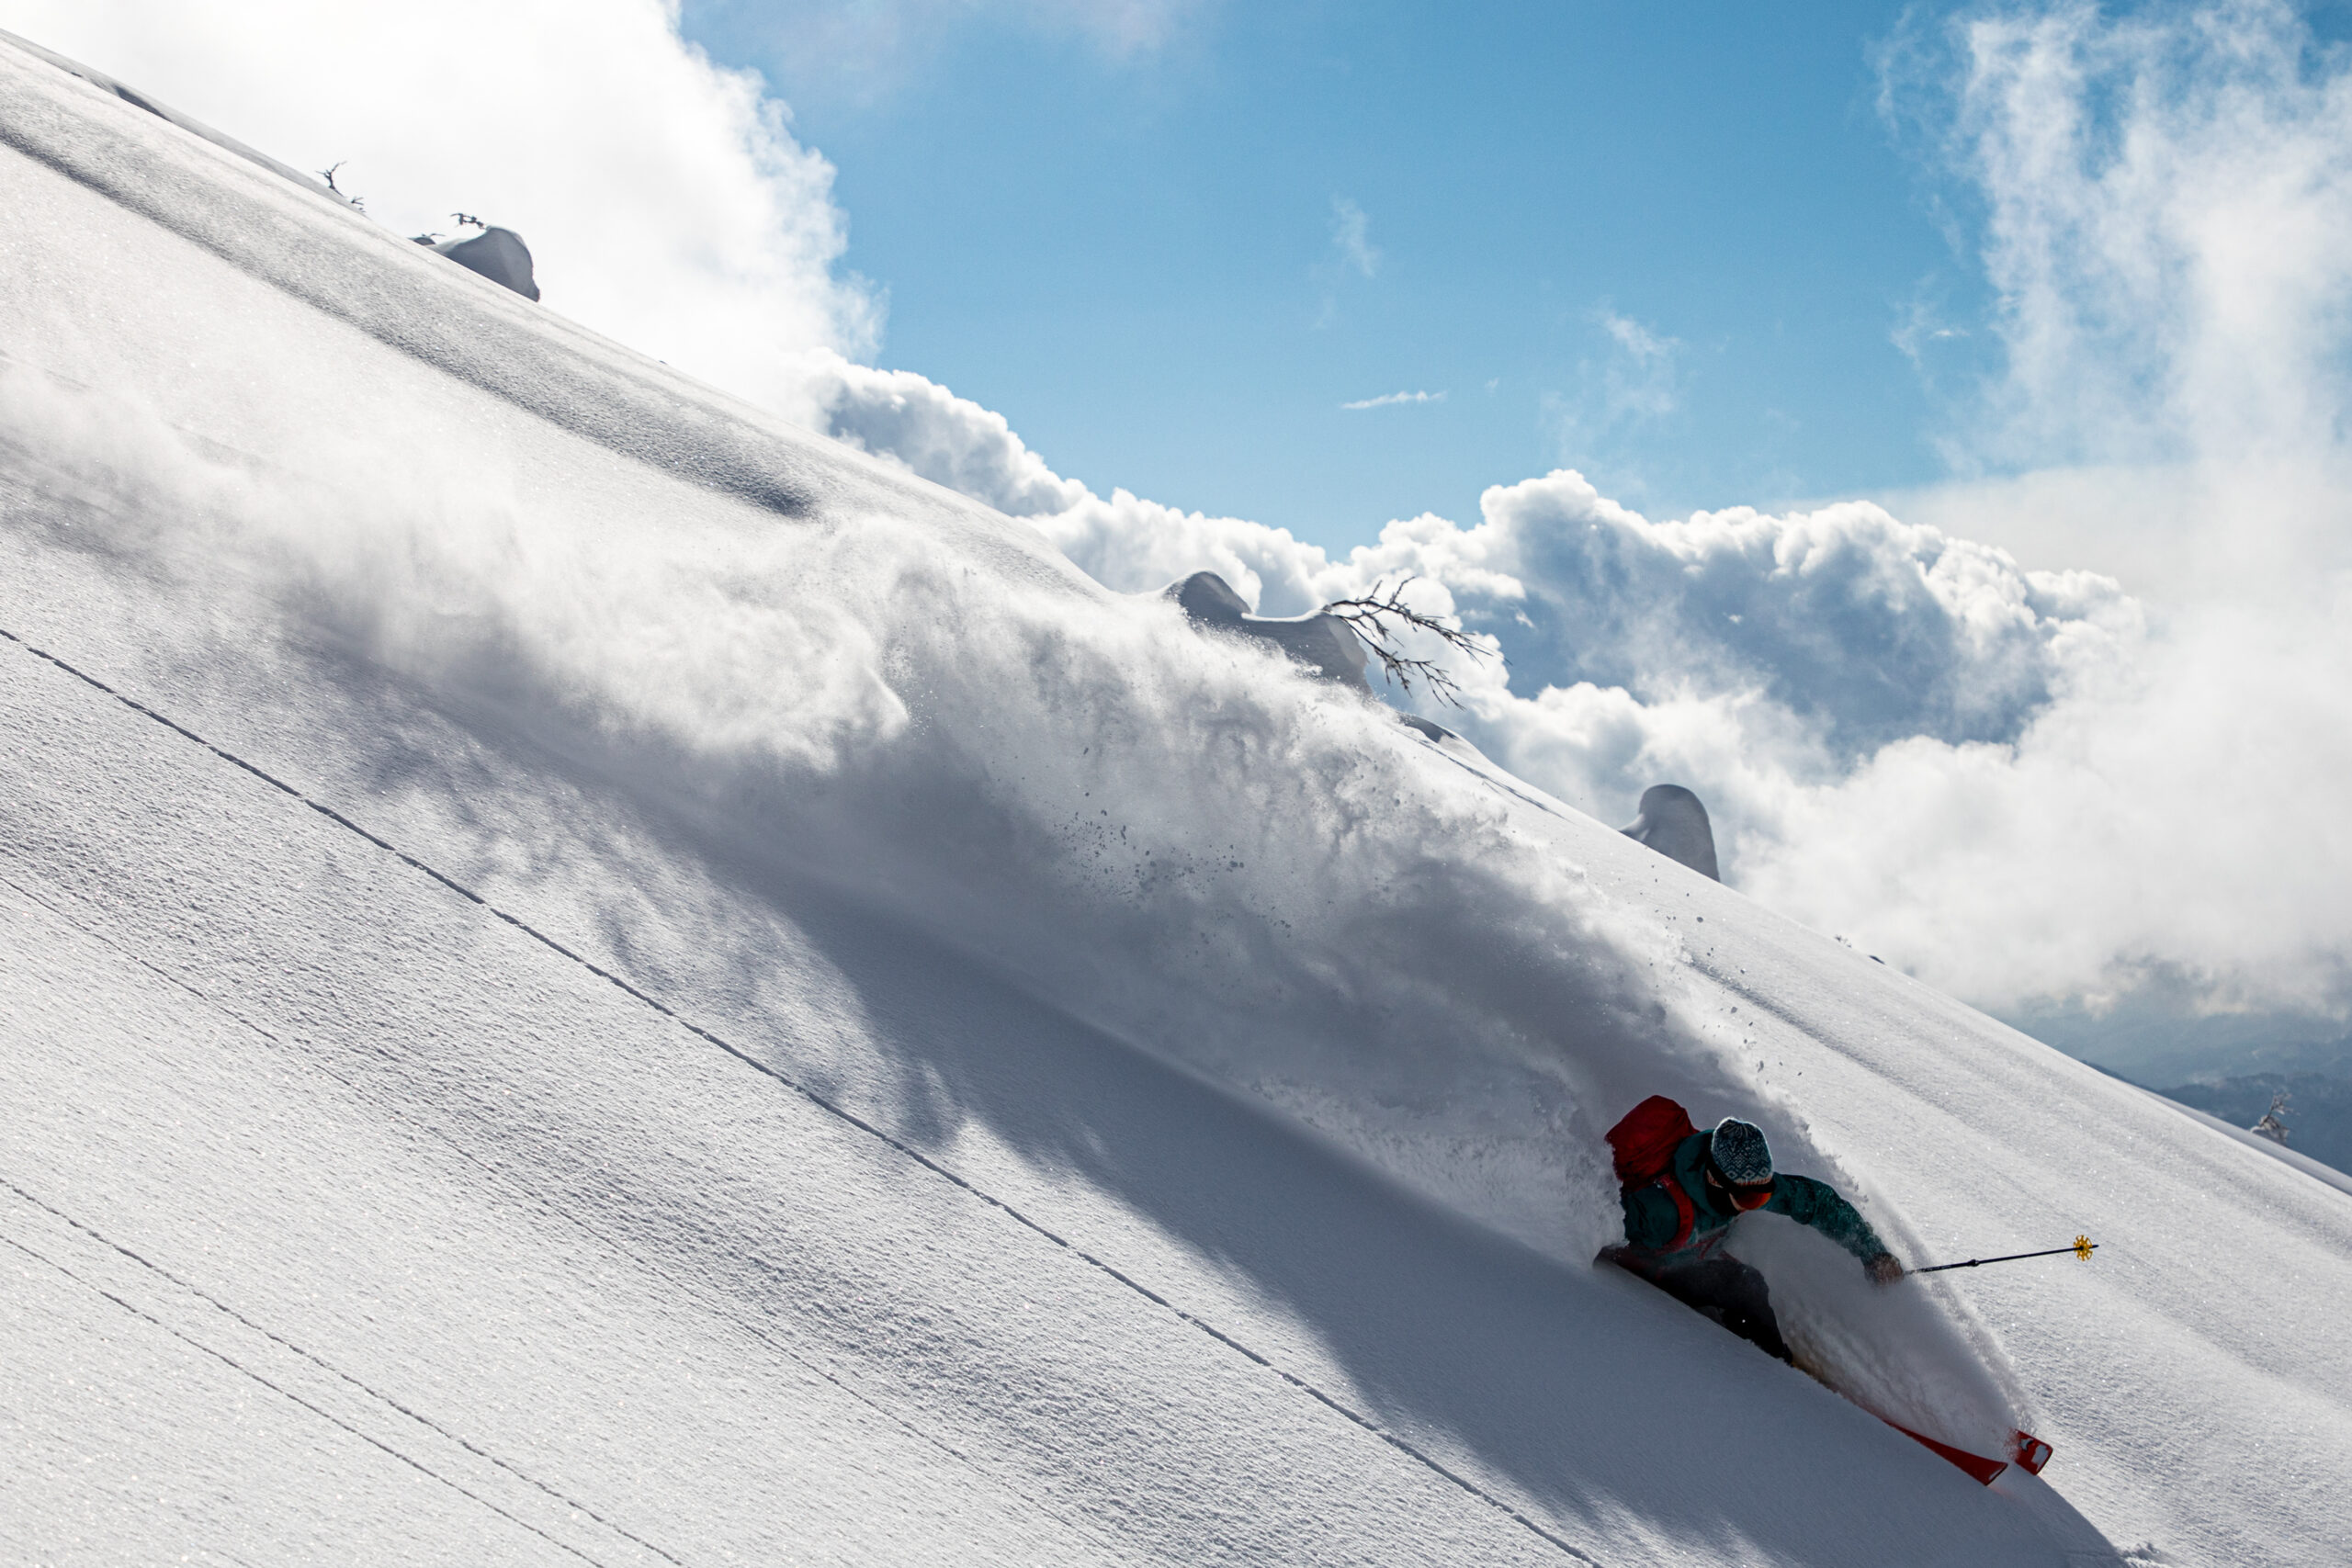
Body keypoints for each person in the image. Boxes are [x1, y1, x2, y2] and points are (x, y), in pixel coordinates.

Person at [1600, 1107, 1903, 1363]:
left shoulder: (1746, 1183)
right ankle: (1773, 1367)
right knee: (1745, 1285)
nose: (1755, 1204)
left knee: (1745, 1281)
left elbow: (1817, 1201)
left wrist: (1873, 1253)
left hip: (1698, 1253)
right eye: (1750, 1201)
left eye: (1762, 1197)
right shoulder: (1659, 1213)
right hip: (1655, 1267)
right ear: (1713, 1180)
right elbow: (1603, 1231)